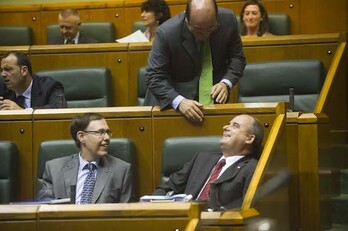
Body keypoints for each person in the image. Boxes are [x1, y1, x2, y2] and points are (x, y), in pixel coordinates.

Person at [144, 0, 246, 123]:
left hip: (213, 104)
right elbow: (154, 76)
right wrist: (179, 101)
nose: (205, 34)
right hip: (172, 107)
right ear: (187, 21)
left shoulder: (228, 20)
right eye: (198, 30)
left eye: (210, 28)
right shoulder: (167, 33)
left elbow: (237, 58)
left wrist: (226, 82)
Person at [153, 114, 264, 209]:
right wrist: (150, 206)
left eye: (235, 126)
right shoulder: (202, 159)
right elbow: (168, 187)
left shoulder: (252, 169)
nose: (225, 127)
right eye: (228, 124)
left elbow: (246, 211)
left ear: (249, 139)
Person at [38, 113, 134, 204]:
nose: (107, 137)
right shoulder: (54, 168)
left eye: (108, 132)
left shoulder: (121, 170)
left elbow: (125, 214)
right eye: (100, 132)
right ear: (82, 136)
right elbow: (45, 209)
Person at [0, 51, 67, 110]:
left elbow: (59, 108)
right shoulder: (2, 89)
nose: (3, 74)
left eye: (8, 69)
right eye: (2, 70)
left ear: (24, 71)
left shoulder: (50, 86)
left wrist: (22, 111)